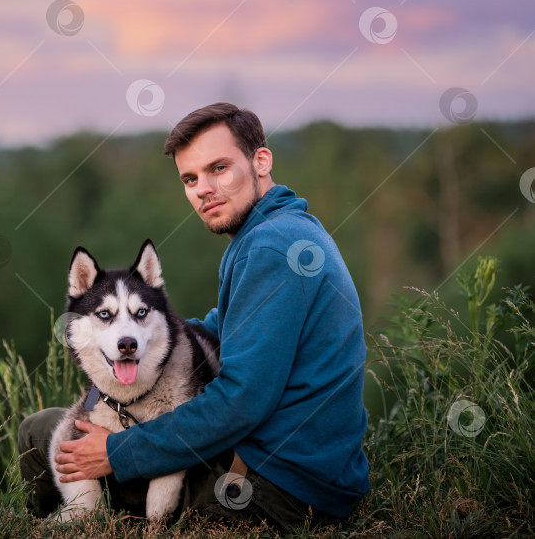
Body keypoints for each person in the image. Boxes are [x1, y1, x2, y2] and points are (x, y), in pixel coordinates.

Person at [19, 103, 370, 530]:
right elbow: (220, 330)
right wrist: (136, 344)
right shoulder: (282, 231)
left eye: (219, 168)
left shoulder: (270, 250)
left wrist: (119, 453)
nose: (204, 189)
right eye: (191, 178)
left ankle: (63, 522)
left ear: (261, 160)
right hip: (307, 475)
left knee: (43, 435)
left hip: (275, 491)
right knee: (73, 424)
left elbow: (241, 402)